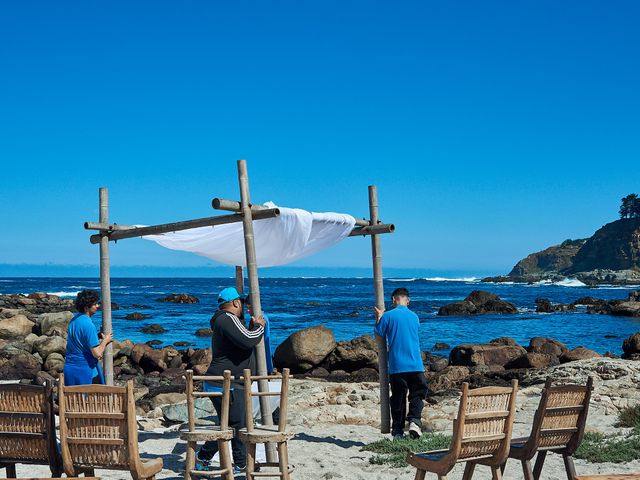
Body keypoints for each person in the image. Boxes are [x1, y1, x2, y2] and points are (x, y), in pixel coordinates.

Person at [197, 287, 265, 473]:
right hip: (225, 382)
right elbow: (248, 340)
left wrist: (251, 326)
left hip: (227, 382)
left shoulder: (226, 320)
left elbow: (242, 339)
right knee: (236, 424)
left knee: (229, 425)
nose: (243, 306)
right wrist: (259, 326)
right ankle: (241, 464)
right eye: (241, 303)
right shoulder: (227, 319)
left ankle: (204, 457)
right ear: (235, 303)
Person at [374, 287, 427, 440]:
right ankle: (414, 421)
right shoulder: (415, 317)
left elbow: (379, 336)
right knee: (418, 393)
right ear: (407, 301)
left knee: (398, 397)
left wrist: (379, 318)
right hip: (416, 364)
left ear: (393, 300)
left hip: (397, 366)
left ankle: (397, 431)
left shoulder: (388, 316)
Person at [64, 289, 113, 385]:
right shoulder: (89, 325)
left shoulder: (74, 320)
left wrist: (97, 335)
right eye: (95, 304)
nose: (97, 306)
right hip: (84, 369)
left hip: (70, 367)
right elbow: (97, 353)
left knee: (72, 398)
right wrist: (105, 341)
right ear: (87, 307)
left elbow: (80, 339)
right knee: (86, 398)